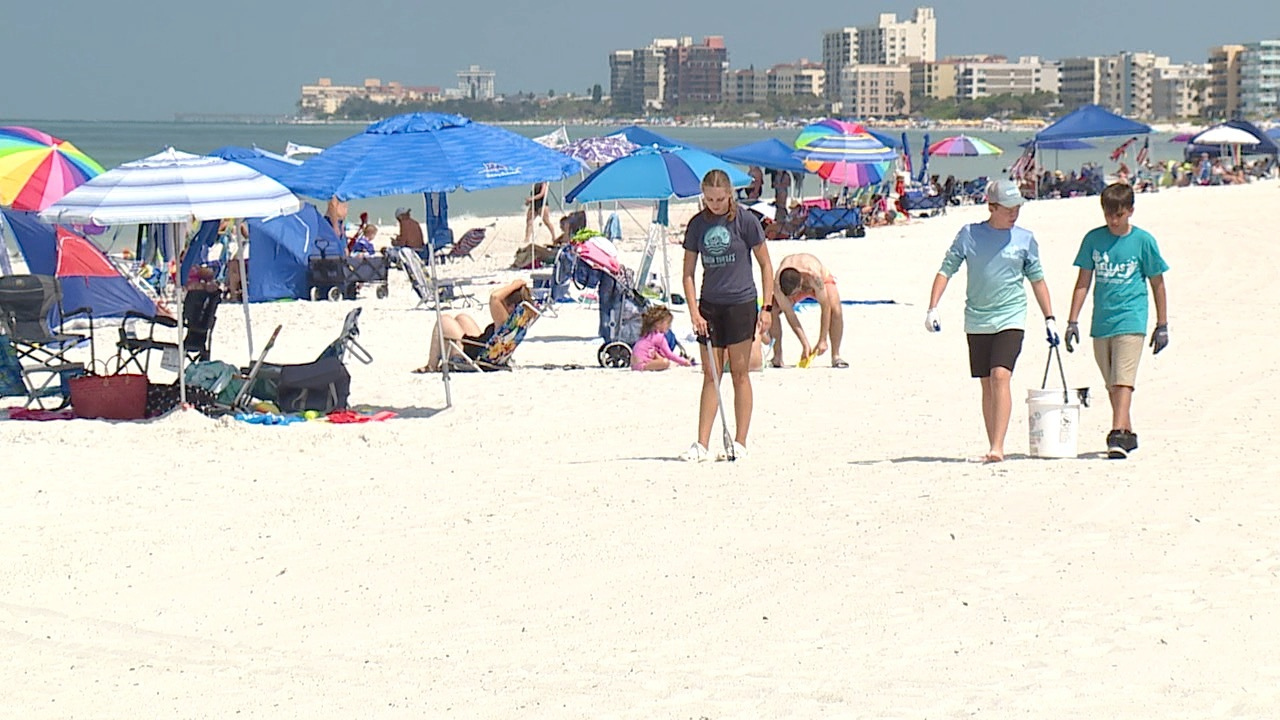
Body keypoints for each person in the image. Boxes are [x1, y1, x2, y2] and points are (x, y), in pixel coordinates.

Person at [925, 179, 1059, 463]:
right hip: (976, 318)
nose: (1015, 213)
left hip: (1011, 316)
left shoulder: (1025, 239)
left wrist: (1050, 318)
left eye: (1018, 208)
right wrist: (932, 307)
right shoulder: (969, 234)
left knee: (1001, 375)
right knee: (986, 382)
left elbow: (1038, 280)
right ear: (992, 207)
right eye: (1009, 208)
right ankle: (992, 442)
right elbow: (945, 270)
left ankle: (998, 446)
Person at [1063, 182, 1169, 459]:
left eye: (1118, 215)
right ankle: (1129, 432)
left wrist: (1162, 324)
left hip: (1132, 318)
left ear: (1130, 211)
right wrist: (1072, 320)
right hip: (1101, 321)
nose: (1112, 220)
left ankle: (1117, 434)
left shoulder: (1143, 241)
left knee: (1123, 379)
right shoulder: (1093, 239)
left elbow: (1157, 283)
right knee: (1112, 382)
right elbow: (1083, 281)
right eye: (1108, 214)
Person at [681, 169, 775, 462]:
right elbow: (688, 273)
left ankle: (740, 441)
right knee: (710, 374)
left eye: (720, 199)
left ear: (730, 194)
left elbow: (765, 265)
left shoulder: (745, 221)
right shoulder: (698, 225)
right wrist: (694, 311)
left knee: (739, 373)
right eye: (709, 199)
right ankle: (701, 444)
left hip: (742, 303)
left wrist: (767, 307)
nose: (715, 204)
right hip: (710, 304)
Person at [415, 279, 534, 373]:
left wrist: (514, 284)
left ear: (511, 306)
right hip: (485, 350)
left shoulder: (505, 321)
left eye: (504, 303)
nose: (501, 305)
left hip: (475, 358)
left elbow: (494, 297)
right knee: (463, 318)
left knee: (443, 320)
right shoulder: (521, 320)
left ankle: (431, 366)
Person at [769, 253, 848, 368]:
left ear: (800, 283)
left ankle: (836, 355)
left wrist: (822, 339)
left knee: (836, 309)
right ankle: (777, 357)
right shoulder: (777, 285)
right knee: (773, 311)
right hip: (791, 285)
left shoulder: (814, 276)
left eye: (796, 293)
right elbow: (790, 314)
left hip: (819, 280)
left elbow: (825, 307)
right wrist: (805, 344)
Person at [631, 306, 692, 372]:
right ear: (658, 324)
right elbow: (669, 354)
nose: (669, 326)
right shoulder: (659, 336)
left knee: (656, 354)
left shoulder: (647, 334)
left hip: (634, 363)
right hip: (642, 364)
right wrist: (684, 361)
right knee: (665, 362)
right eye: (668, 323)